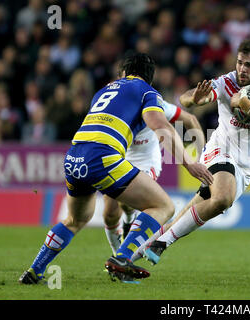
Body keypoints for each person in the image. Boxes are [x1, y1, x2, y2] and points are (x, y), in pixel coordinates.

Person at [18, 52, 213, 284]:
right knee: (163, 206)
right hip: (103, 156)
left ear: (123, 73)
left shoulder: (103, 91)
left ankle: (34, 270)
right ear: (150, 77)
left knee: (75, 219)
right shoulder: (147, 91)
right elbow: (159, 125)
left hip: (74, 156)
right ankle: (122, 257)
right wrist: (189, 163)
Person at [141, 39, 250, 266]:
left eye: (249, 64)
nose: (241, 69)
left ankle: (127, 257)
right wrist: (196, 98)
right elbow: (187, 98)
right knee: (222, 198)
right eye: (239, 62)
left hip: (246, 165)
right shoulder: (227, 81)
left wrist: (248, 106)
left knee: (188, 214)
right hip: (220, 150)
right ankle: (162, 244)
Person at [103, 97, 205, 256]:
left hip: (146, 163)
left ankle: (120, 256)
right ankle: (120, 249)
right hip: (119, 160)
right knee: (109, 214)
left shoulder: (155, 103)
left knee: (126, 202)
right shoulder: (114, 104)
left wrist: (202, 154)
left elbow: (190, 119)